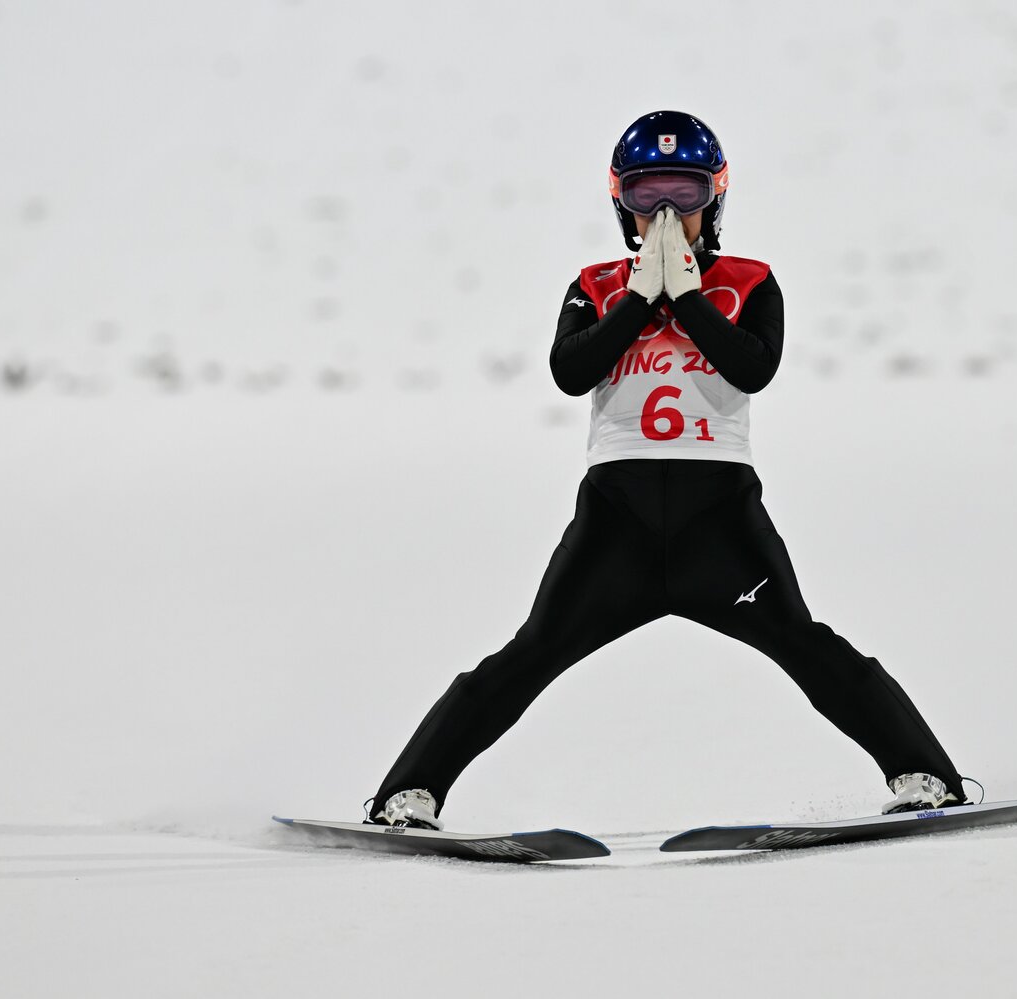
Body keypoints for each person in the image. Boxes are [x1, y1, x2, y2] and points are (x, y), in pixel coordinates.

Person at [365, 110, 967, 831]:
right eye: (650, 193)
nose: (666, 213)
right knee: (529, 655)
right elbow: (569, 370)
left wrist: (685, 297)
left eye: (683, 193)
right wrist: (638, 299)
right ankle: (408, 794)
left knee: (808, 645)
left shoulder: (751, 281)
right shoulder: (593, 284)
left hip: (720, 520)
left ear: (714, 196)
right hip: (614, 522)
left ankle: (927, 775)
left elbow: (753, 367)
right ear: (621, 198)